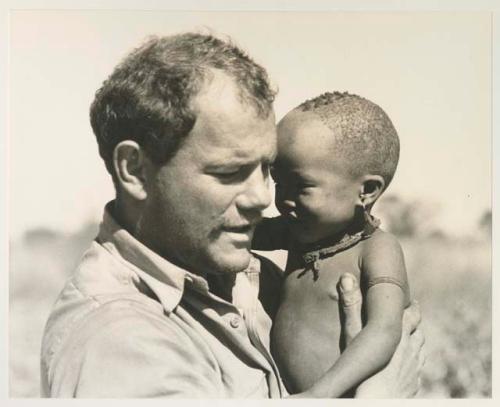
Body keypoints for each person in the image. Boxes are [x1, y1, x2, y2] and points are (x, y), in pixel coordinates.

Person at [40, 33, 424, 398]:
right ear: (136, 170)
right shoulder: (123, 344)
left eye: (264, 169)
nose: (263, 198)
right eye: (229, 173)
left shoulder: (239, 276)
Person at [253, 91, 409, 397]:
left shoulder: (377, 249)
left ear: (366, 191)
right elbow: (231, 231)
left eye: (301, 187)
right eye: (278, 182)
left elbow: (385, 330)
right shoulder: (297, 232)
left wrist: (319, 396)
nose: (283, 200)